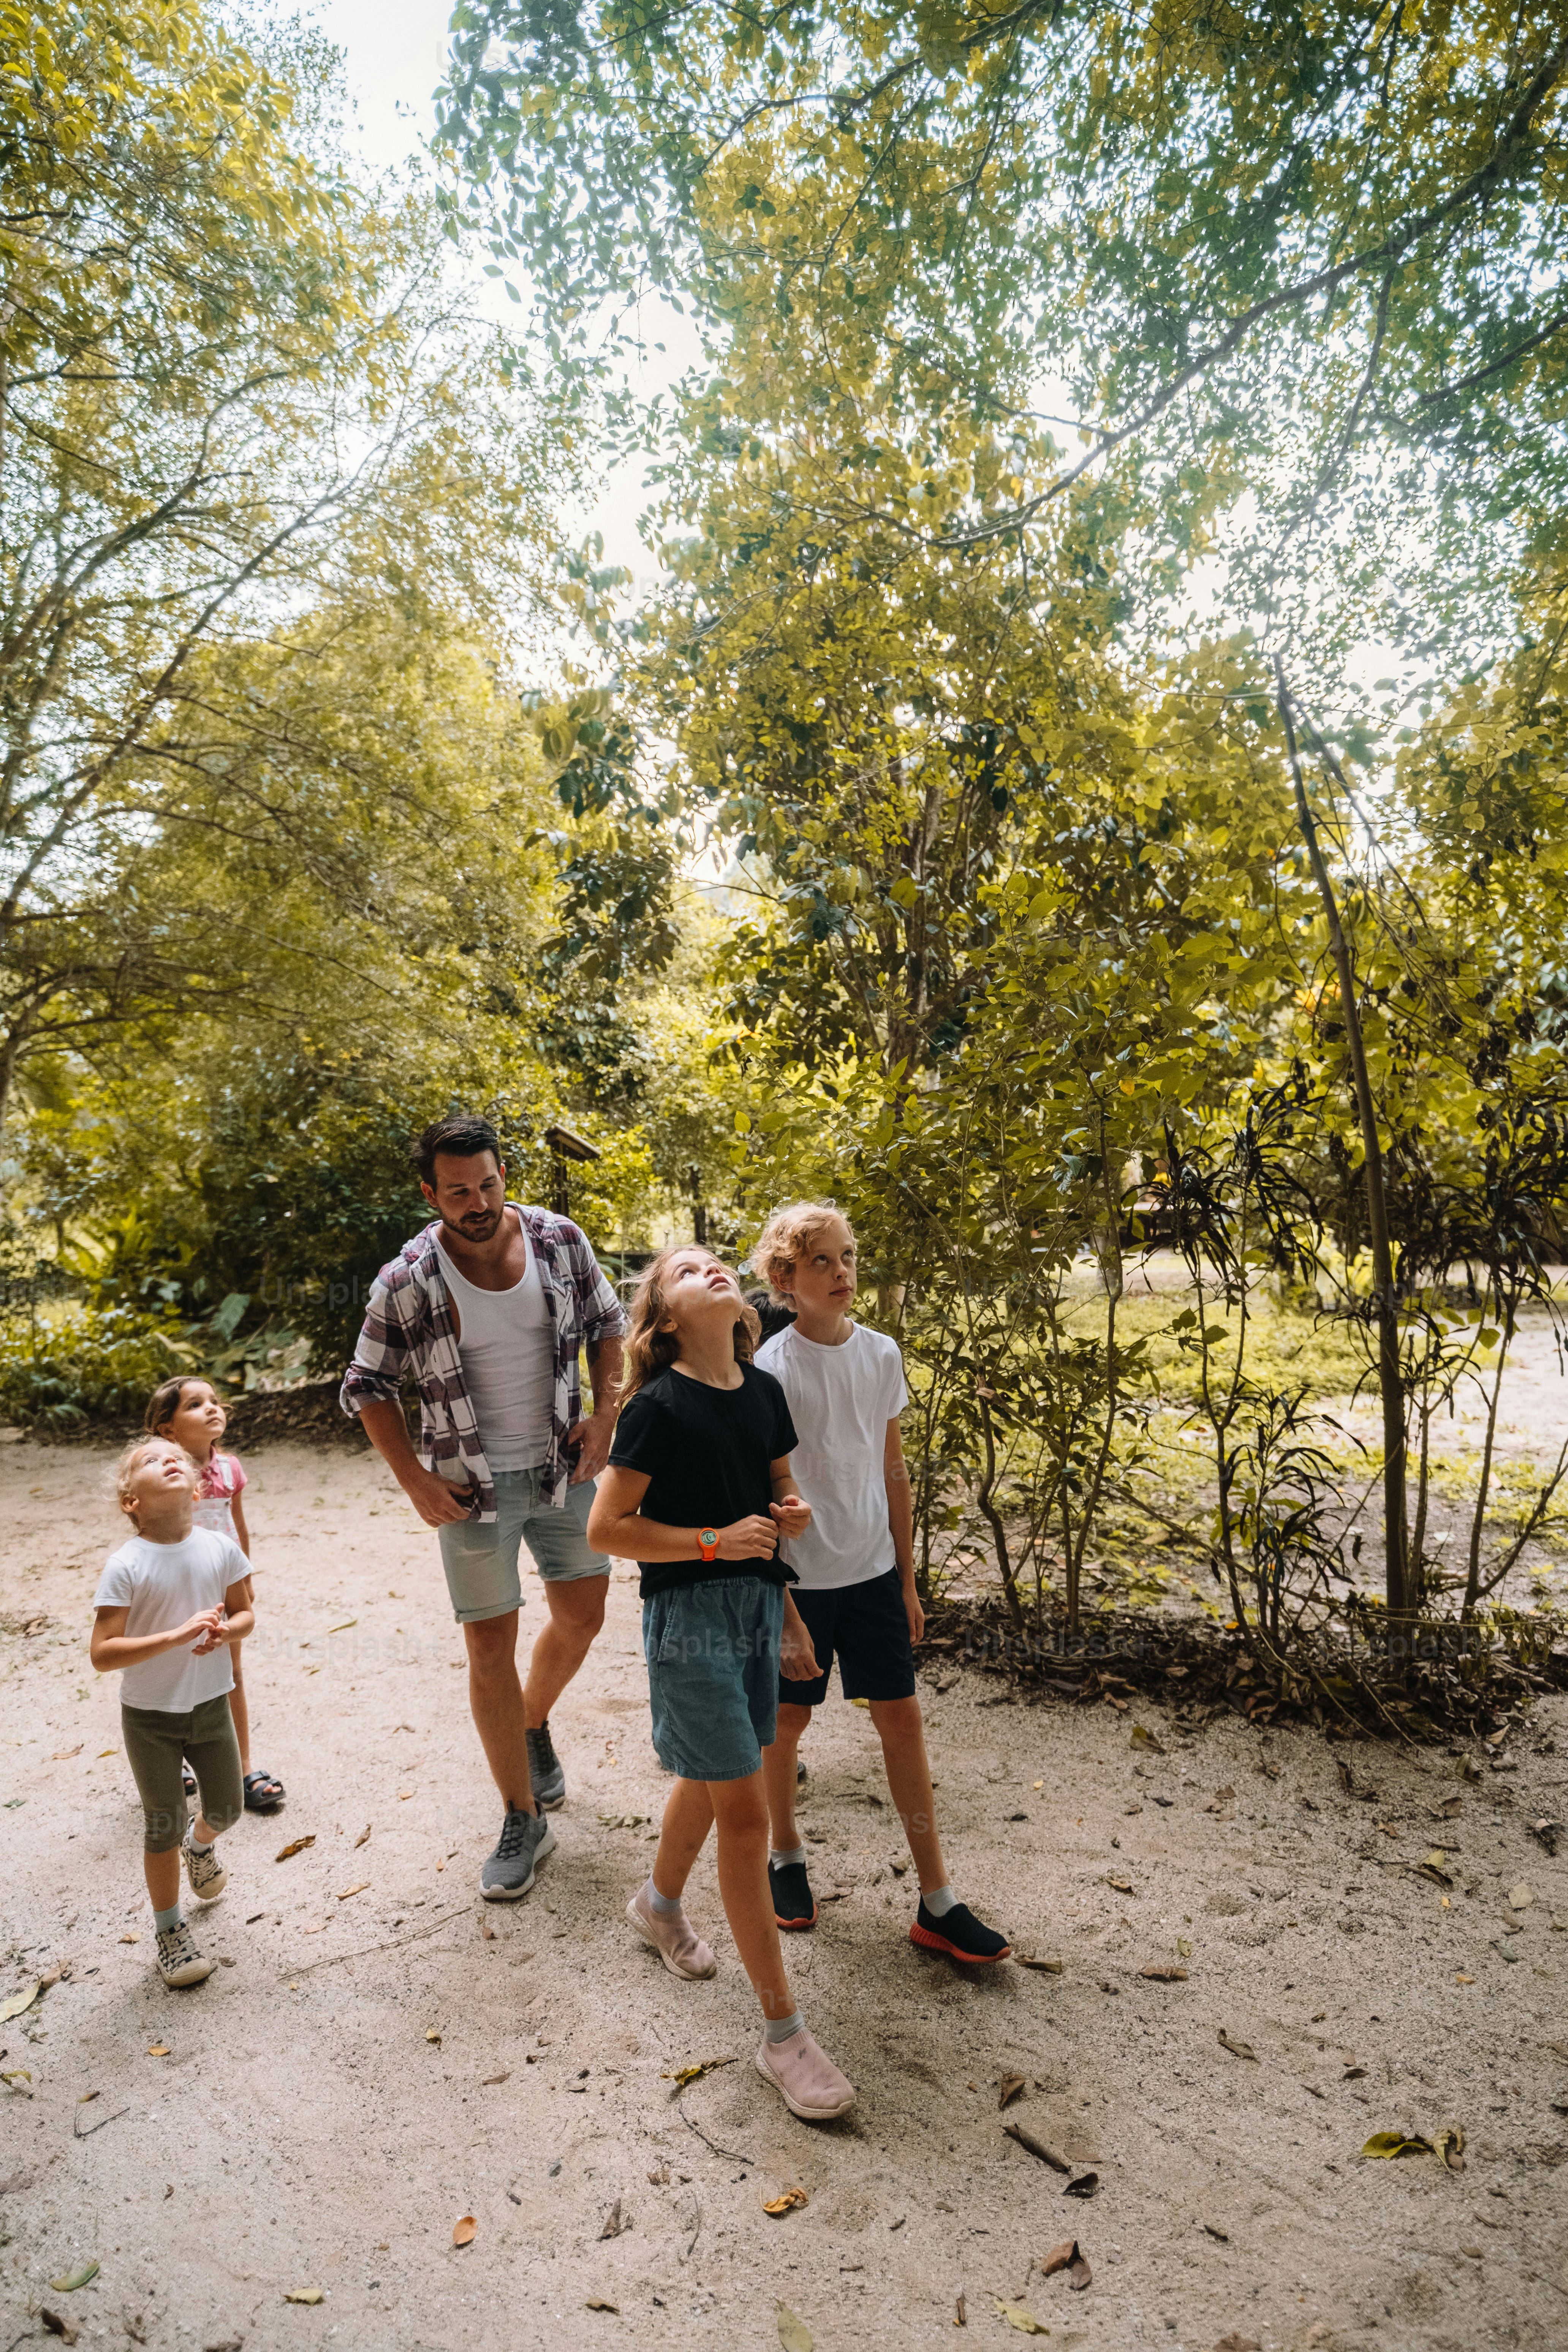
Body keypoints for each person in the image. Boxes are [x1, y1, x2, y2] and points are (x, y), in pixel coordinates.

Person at [586, 1244, 858, 2122]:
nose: (708, 1268)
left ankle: (656, 1904)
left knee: (711, 1781)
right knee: (743, 1813)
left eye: (713, 1262)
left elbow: (778, 1498)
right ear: (664, 1318)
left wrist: (789, 1571)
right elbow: (606, 1529)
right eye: (685, 1269)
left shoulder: (763, 1392)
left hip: (756, 1612)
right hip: (689, 1622)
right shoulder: (656, 1407)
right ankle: (783, 2034)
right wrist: (710, 1541)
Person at [341, 1111, 627, 1900]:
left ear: (505, 1177)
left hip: (564, 1470)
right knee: (489, 1646)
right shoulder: (407, 1278)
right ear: (430, 1194)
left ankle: (531, 1721)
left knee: (583, 1617)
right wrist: (413, 1479)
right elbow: (366, 1383)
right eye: (459, 1191)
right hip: (470, 1489)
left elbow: (609, 1324)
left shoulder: (558, 1240)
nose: (478, 1202)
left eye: (489, 1184)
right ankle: (519, 1815)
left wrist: (607, 1415)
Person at [751, 1201, 1011, 1966]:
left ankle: (937, 1901)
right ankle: (783, 1854)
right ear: (784, 1277)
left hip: (872, 1576)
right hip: (801, 1585)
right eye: (821, 1260)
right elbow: (760, 1491)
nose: (842, 1272)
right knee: (786, 1723)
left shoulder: (880, 1354)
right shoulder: (769, 1370)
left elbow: (892, 1468)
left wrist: (905, 1580)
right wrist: (784, 1611)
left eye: (848, 1256)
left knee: (901, 1721)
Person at [90, 1438, 253, 1988]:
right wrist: (174, 1636)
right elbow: (102, 1653)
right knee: (162, 1822)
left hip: (210, 1705)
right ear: (130, 1501)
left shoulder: (220, 1547)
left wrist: (227, 1630)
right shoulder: (126, 1565)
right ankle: (170, 1931)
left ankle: (199, 1846)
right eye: (150, 1460)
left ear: (199, 1488)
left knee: (227, 1808)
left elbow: (246, 1613)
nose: (169, 1460)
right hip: (150, 1718)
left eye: (177, 1458)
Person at [144, 1376, 283, 1812]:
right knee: (174, 1670)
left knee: (230, 1672)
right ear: (167, 1428)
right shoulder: (162, 1473)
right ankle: (172, 1759)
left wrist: (245, 1577)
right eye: (194, 1404)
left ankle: (242, 1768)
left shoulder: (230, 1469)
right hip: (176, 1584)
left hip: (222, 1583)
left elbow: (236, 1524)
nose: (211, 1408)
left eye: (214, 1401)